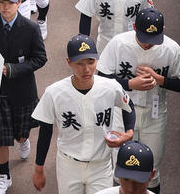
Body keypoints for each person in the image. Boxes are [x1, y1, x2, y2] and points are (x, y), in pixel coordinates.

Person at [96, 8, 180, 191]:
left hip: (155, 116)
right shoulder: (118, 44)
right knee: (122, 170)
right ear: (134, 27)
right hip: (122, 113)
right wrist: (130, 84)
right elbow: (101, 80)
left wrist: (160, 80)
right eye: (144, 38)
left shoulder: (171, 48)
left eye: (154, 39)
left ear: (163, 29)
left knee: (152, 172)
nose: (149, 44)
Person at [30, 35, 135, 194]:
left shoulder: (111, 87)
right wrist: (39, 168)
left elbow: (129, 106)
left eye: (91, 62)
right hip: (68, 165)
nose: (86, 69)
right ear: (69, 62)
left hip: (101, 165)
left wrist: (129, 133)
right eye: (79, 64)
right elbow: (45, 131)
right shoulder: (54, 92)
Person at [0, 0, 48, 194]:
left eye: (9, 2)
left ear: (19, 2)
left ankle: (23, 140)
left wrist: (12, 69)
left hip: (22, 91)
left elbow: (40, 59)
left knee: (20, 133)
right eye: (0, 2)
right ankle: (4, 175)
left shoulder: (31, 28)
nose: (4, 7)